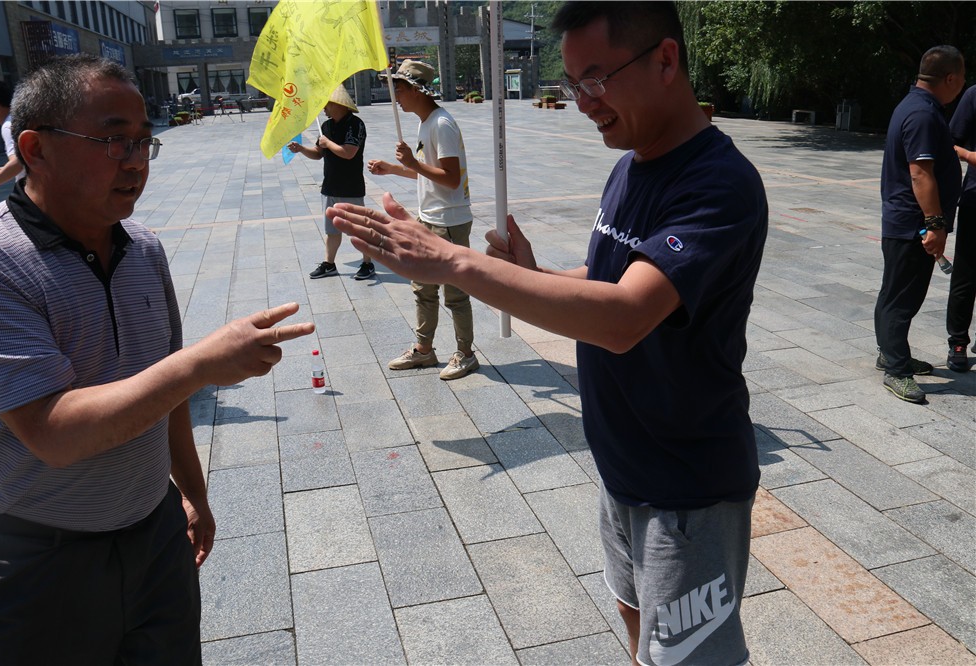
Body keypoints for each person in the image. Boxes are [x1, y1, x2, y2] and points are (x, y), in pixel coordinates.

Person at [332, 3, 766, 664]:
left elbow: (624, 318)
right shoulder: (633, 164)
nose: (583, 102)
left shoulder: (719, 184)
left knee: (686, 657)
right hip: (624, 463)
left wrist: (452, 261)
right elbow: (615, 277)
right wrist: (535, 275)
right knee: (634, 619)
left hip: (687, 486)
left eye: (596, 79)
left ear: (665, 60)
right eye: (572, 83)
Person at [0, 54, 314, 664]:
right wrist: (201, 364)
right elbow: (53, 433)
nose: (135, 161)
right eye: (112, 140)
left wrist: (192, 492)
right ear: (35, 149)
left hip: (155, 535)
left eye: (142, 141)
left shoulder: (144, 249)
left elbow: (165, 394)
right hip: (38, 560)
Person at [367, 59, 479, 381]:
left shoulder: (441, 124)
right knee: (423, 288)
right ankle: (424, 349)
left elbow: (451, 179)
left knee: (455, 292)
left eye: (399, 90)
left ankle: (466, 354)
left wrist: (412, 164)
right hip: (428, 217)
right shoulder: (425, 122)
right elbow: (428, 172)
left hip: (449, 221)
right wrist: (394, 168)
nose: (396, 98)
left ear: (416, 90)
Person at [875, 45, 966, 402]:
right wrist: (936, 224)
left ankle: (891, 353)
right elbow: (920, 173)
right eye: (962, 77)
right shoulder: (923, 114)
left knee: (895, 292)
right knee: (901, 298)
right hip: (913, 223)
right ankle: (897, 370)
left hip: (906, 221)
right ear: (950, 78)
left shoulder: (915, 105)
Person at [289, 85, 374, 281]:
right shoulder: (326, 127)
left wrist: (328, 143)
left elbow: (349, 152)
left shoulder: (355, 124)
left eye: (326, 105)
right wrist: (301, 149)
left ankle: (367, 263)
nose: (324, 109)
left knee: (358, 229)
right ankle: (329, 264)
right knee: (331, 229)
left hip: (350, 186)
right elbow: (318, 154)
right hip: (330, 186)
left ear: (339, 104)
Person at [947, 84, 976, 372]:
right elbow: (950, 143)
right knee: (966, 275)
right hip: (975, 200)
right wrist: (970, 156)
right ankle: (958, 341)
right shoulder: (974, 95)